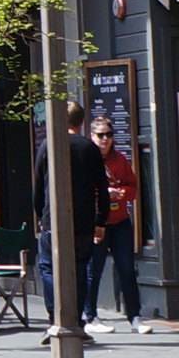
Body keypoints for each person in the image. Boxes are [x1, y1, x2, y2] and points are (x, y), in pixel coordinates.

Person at [61, 100, 113, 338]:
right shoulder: (89, 149)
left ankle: (59, 316)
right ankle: (80, 317)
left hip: (57, 219)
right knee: (81, 267)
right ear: (82, 123)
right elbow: (101, 188)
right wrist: (101, 220)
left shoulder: (51, 146)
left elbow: (39, 186)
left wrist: (42, 214)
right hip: (84, 219)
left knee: (52, 267)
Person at [86, 114, 143, 331]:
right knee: (94, 269)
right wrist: (103, 193)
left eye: (109, 135)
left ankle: (135, 316)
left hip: (120, 222)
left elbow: (133, 187)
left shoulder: (120, 160)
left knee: (127, 268)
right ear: (92, 136)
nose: (105, 139)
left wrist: (121, 193)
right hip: (97, 222)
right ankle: (90, 315)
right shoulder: (87, 158)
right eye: (100, 135)